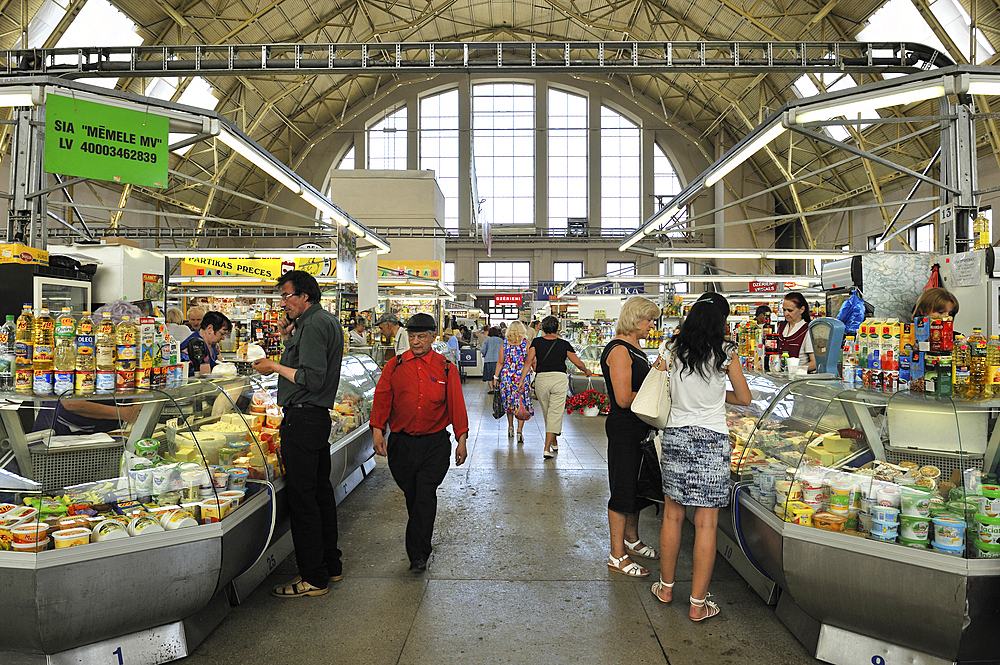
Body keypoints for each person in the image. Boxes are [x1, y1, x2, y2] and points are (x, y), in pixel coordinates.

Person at [653, 292, 751, 621]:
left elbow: (659, 384)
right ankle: (697, 605)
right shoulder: (727, 352)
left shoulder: (672, 347)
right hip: (712, 438)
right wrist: (714, 394)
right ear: (721, 321)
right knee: (706, 523)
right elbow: (744, 396)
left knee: (672, 517)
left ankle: (666, 588)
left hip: (677, 436)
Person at [252, 270, 344, 598]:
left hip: (303, 421)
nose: (283, 302)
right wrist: (288, 339)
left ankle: (312, 578)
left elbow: (311, 378)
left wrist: (274, 366)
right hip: (314, 420)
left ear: (305, 296)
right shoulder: (319, 322)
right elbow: (307, 361)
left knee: (303, 501)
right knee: (320, 494)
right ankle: (330, 567)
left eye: (286, 295)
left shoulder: (314, 325)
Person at [370, 313, 469, 572]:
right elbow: (382, 398)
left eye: (421, 337)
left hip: (434, 444)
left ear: (433, 338)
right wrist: (377, 431)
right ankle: (420, 541)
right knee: (413, 495)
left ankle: (418, 555)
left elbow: (456, 405)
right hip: (401, 444)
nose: (415, 342)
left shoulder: (446, 368)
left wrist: (462, 439)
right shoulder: (395, 366)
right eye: (412, 336)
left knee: (425, 493)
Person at [600, 296, 663, 579]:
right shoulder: (619, 350)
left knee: (638, 487)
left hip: (640, 427)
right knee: (623, 488)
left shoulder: (636, 348)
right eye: (649, 320)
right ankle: (617, 554)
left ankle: (632, 539)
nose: (652, 325)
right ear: (635, 319)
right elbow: (624, 398)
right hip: (625, 427)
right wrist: (660, 396)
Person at [518, 315, 590, 459]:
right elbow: (577, 362)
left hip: (542, 380)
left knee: (547, 413)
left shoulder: (536, 343)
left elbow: (528, 361)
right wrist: (586, 370)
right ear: (557, 329)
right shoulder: (564, 344)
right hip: (559, 379)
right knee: (555, 413)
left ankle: (554, 441)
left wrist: (521, 380)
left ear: (543, 329)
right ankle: (546, 448)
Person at [495, 320, 532, 442]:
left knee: (509, 403)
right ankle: (519, 431)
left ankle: (510, 427)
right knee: (521, 404)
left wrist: (495, 377)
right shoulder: (526, 343)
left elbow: (500, 361)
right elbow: (531, 360)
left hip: (507, 377)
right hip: (522, 377)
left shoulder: (504, 343)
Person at [179, 311, 232, 375]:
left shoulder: (213, 344)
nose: (223, 338)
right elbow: (204, 375)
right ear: (210, 329)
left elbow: (220, 364)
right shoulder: (195, 345)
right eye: (222, 334)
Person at [776, 292, 816, 372]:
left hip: (798, 379)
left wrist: (797, 370)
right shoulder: (781, 327)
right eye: (784, 310)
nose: (786, 313)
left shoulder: (807, 330)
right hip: (781, 376)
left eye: (790, 310)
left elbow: (814, 362)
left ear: (802, 309)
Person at [481, 327, 503, 393]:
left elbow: (483, 350)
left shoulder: (487, 340)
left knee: (489, 375)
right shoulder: (501, 340)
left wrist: (485, 355)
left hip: (488, 360)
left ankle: (491, 389)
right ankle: (497, 387)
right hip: (498, 360)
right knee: (497, 375)